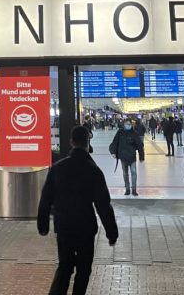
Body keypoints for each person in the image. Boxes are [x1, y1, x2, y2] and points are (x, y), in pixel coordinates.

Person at [38, 125, 118, 295]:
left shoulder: (58, 168)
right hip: (85, 227)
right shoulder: (93, 170)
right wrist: (112, 233)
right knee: (83, 269)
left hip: (64, 226)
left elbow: (46, 198)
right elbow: (103, 204)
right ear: (87, 143)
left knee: (65, 267)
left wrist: (43, 224)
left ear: (71, 142)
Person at [109, 118, 145, 196]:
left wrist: (141, 156)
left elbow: (139, 145)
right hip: (123, 156)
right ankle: (127, 189)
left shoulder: (134, 133)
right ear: (124, 124)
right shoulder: (120, 132)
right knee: (125, 173)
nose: (128, 125)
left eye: (129, 124)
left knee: (134, 173)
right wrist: (113, 152)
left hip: (132, 156)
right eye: (127, 124)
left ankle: (134, 189)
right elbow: (115, 142)